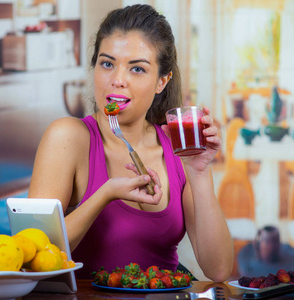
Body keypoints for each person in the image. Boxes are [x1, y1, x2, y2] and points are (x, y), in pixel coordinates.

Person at [28, 4, 233, 282]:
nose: (117, 80)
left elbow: (218, 270)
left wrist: (198, 172)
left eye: (137, 69)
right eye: (107, 63)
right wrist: (106, 193)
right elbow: (33, 253)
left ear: (162, 81)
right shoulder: (68, 137)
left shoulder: (177, 147)